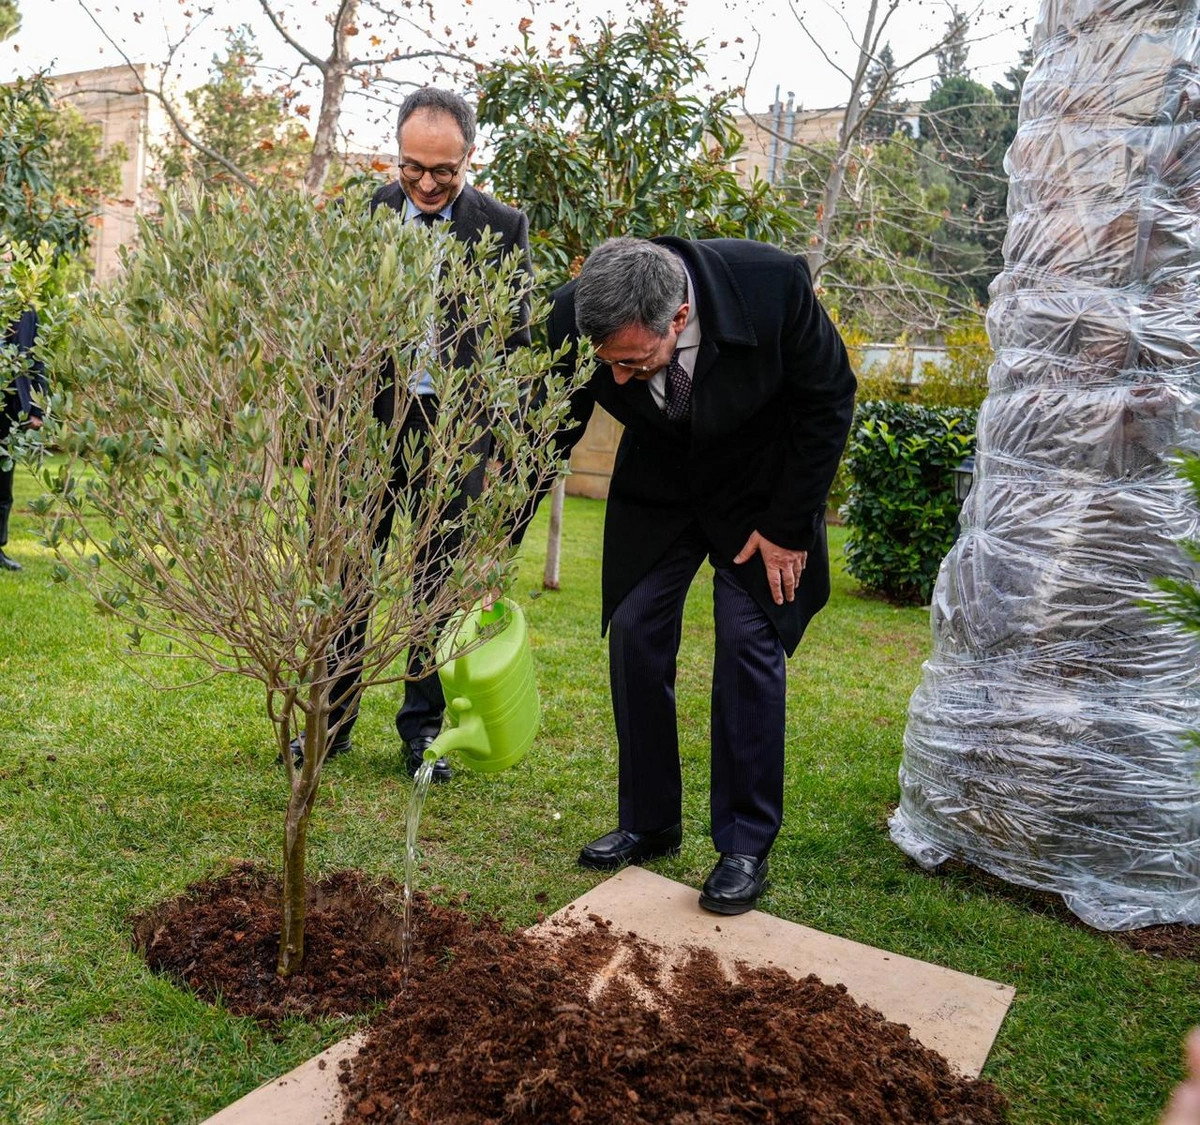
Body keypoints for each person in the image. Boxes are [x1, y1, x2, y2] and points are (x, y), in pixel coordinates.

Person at [544, 236, 855, 915]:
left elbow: (830, 397)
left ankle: (744, 845)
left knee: (746, 641)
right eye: (606, 363)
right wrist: (494, 537)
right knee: (635, 627)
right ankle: (649, 821)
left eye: (631, 361)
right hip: (660, 485)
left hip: (760, 490)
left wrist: (788, 527)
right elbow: (548, 428)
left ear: (678, 317)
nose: (616, 380)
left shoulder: (772, 286)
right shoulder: (574, 311)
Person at [287, 87, 532, 780]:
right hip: (366, 424)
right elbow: (327, 334)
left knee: (437, 581)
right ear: (396, 155)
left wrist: (503, 446)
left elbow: (513, 345)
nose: (426, 184)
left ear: (469, 156)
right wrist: (317, 430)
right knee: (346, 576)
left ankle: (422, 732)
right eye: (413, 167)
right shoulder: (360, 216)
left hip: (452, 428)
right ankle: (328, 722)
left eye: (443, 171)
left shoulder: (503, 226)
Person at [0, 309, 46, 572]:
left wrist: (37, 409)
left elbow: (37, 360)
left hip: (11, 409)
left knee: (2, 484)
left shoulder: (27, 311)